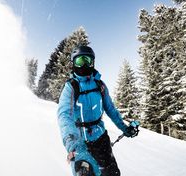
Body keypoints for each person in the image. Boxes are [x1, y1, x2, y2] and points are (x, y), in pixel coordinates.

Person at [57, 45, 138, 176]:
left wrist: (125, 128)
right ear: (73, 63)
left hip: (101, 139)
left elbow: (111, 109)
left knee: (112, 173)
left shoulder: (100, 86)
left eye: (87, 60)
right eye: (79, 61)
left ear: (92, 62)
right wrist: (73, 145)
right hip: (80, 143)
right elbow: (64, 116)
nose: (83, 64)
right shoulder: (71, 87)